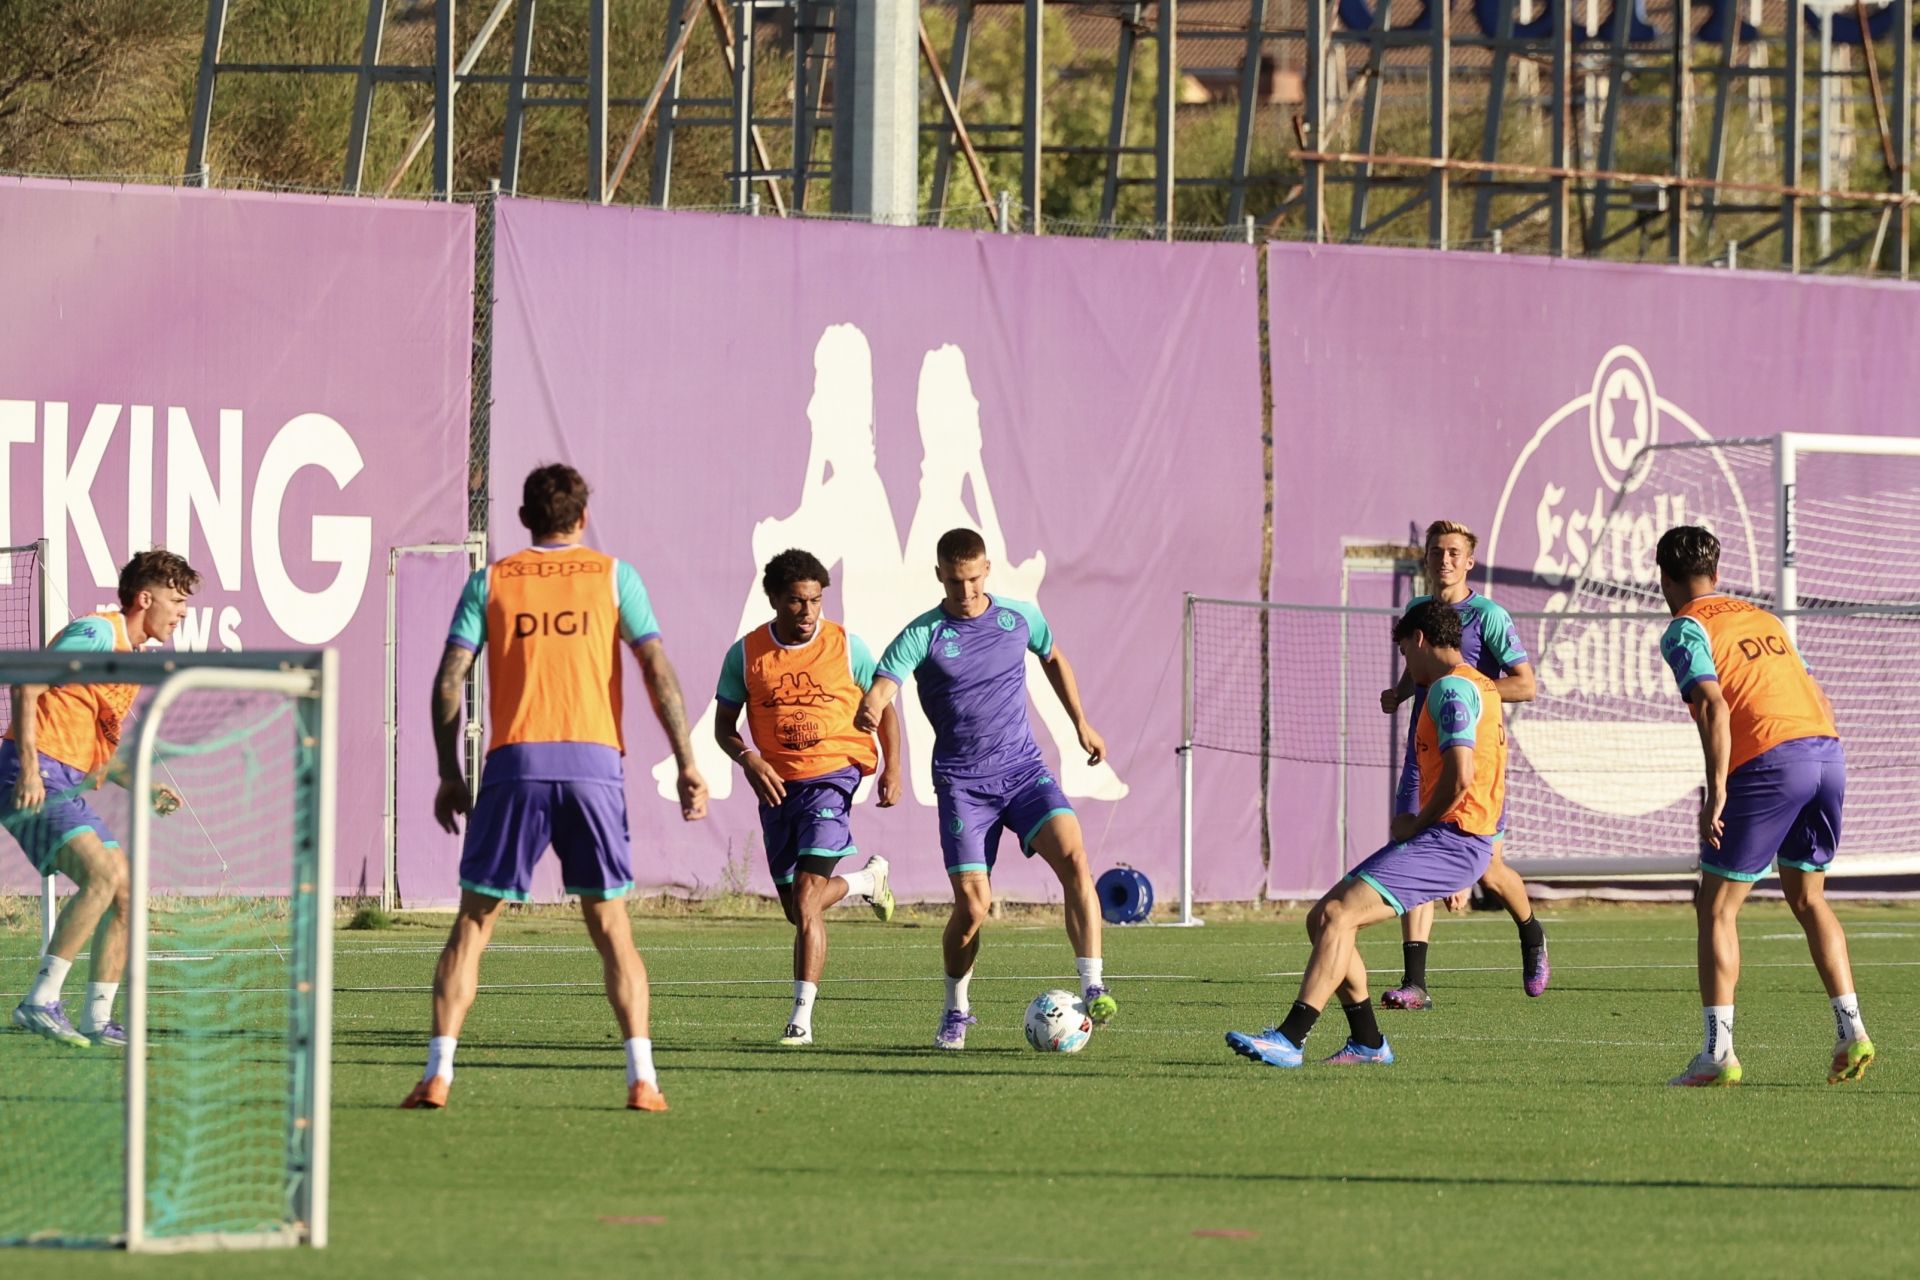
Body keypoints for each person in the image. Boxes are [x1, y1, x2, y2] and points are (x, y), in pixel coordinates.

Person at [403, 464, 708, 1112]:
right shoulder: (614, 576)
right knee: (611, 926)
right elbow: (655, 667)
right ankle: (642, 1080)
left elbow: (449, 680)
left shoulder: (491, 581)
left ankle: (438, 1074)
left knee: (474, 924)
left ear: (523, 519)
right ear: (581, 516)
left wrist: (449, 773)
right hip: (594, 765)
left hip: (515, 763)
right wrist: (686, 758)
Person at [855, 528, 1116, 1049]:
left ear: (987, 570)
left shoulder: (1019, 617)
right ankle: (956, 1010)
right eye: (955, 582)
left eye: (973, 579)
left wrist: (1080, 723)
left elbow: (1053, 658)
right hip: (963, 786)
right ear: (939, 577)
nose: (966, 592)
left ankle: (1093, 985)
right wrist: (873, 705)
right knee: (973, 908)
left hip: (1023, 772)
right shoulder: (922, 634)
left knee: (1075, 857)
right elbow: (885, 683)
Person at [1227, 600, 1507, 1068]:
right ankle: (1368, 1041)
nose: (1406, 665)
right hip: (1458, 840)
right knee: (1322, 920)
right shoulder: (1482, 685)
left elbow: (1461, 778)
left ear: (1418, 639)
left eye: (1403, 652)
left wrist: (1419, 825)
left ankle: (1290, 1038)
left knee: (1338, 914)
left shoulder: (1450, 690)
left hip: (1450, 839)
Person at [1655, 525, 1871, 1087]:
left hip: (1771, 763)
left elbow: (1713, 706)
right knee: (1808, 898)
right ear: (1718, 573)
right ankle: (1852, 1032)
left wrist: (1719, 788)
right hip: (1826, 753)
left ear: (1665, 580)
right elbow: (1817, 693)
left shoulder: (1685, 627)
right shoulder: (1764, 618)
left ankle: (1717, 1054)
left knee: (1717, 908)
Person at [4, 549, 198, 1048]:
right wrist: (28, 768)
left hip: (62, 776)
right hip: (29, 771)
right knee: (104, 875)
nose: (181, 613)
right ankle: (39, 1002)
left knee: (127, 891)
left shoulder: (130, 664)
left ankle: (97, 1019)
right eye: (176, 601)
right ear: (143, 598)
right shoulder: (97, 633)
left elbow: (94, 757)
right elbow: (27, 684)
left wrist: (145, 785)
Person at [715, 548, 902, 1047]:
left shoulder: (847, 647)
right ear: (774, 598)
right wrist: (749, 759)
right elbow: (722, 726)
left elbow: (883, 707)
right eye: (797, 602)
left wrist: (892, 769)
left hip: (833, 778)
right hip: (777, 787)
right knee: (798, 910)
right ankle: (865, 881)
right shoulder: (747, 653)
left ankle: (801, 1019)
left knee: (805, 899)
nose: (808, 612)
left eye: (816, 601)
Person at [1377, 519, 1546, 1008]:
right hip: (1421, 756)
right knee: (1410, 854)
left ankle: (1531, 934)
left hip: (1475, 757)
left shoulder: (1489, 615)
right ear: (1426, 559)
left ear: (1469, 561)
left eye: (1454, 552)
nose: (1444, 559)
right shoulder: (1417, 611)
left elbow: (1526, 685)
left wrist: (1475, 689)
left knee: (1490, 870)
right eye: (1436, 552)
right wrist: (1402, 692)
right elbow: (1420, 670)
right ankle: (1415, 983)